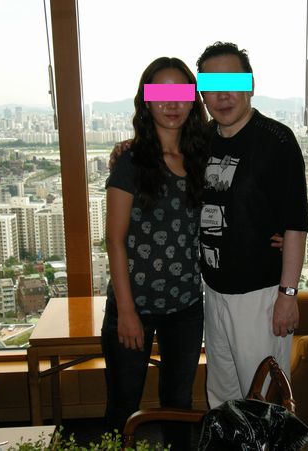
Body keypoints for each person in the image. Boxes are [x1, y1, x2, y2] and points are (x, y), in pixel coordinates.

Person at [101, 56, 208, 449]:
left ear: (193, 99)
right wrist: (127, 312)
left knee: (179, 403)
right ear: (146, 99)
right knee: (123, 404)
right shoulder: (131, 162)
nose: (171, 103)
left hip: (186, 305)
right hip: (135, 306)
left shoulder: (202, 158)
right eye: (161, 92)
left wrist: (275, 233)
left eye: (181, 92)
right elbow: (114, 240)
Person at [196, 42, 308, 408]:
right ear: (202, 93)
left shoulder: (277, 141)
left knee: (265, 403)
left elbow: (296, 224)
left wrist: (288, 295)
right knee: (223, 396)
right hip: (213, 291)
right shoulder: (201, 140)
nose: (223, 95)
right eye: (212, 85)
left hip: (259, 296)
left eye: (233, 82)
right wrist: (127, 149)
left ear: (251, 85)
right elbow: (160, 143)